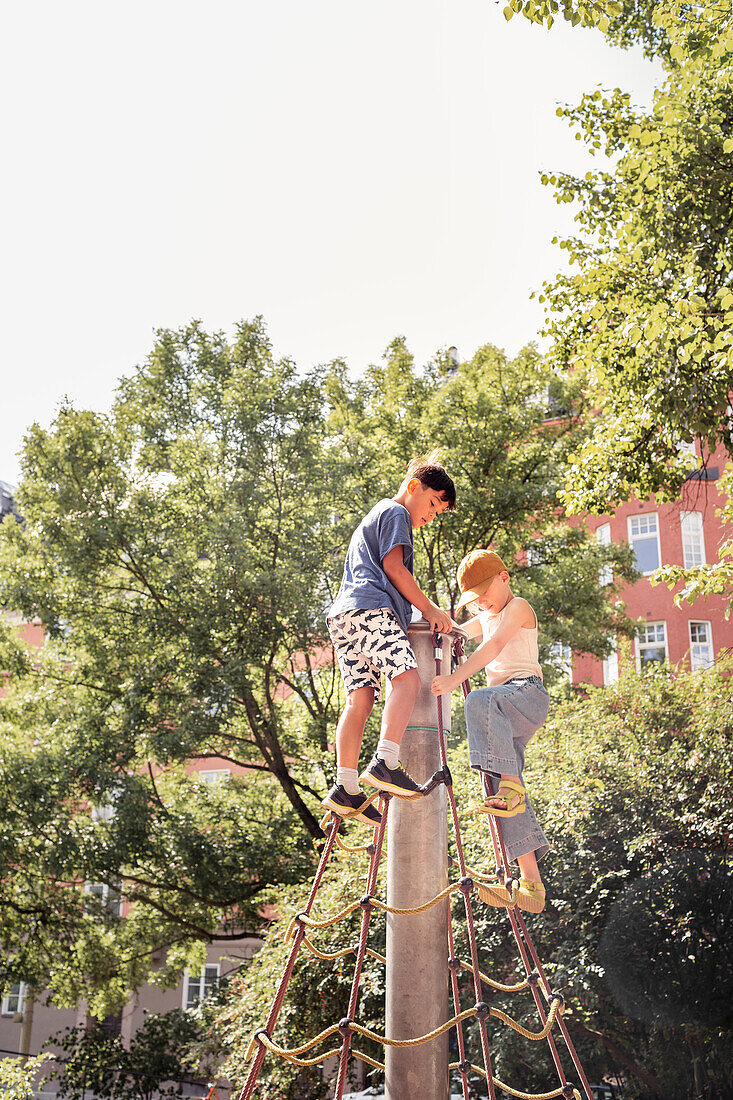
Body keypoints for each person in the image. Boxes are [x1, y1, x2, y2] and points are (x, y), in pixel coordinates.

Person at [322, 454, 457, 826]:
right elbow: (394, 569)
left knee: (360, 699)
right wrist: (431, 611)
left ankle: (345, 786)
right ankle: (386, 761)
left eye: (437, 513)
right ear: (413, 487)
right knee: (408, 680)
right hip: (371, 611)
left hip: (343, 616)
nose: (430, 515)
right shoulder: (396, 513)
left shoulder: (376, 515)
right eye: (431, 503)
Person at [431, 549, 550, 913]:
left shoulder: (518, 608)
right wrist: (429, 622)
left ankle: (510, 784)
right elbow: (456, 632)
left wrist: (453, 679)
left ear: (504, 577)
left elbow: (493, 646)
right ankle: (530, 885)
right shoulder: (486, 615)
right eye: (474, 598)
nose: (481, 601)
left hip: (526, 695)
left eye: (485, 590)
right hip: (506, 709)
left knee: (478, 701)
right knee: (501, 794)